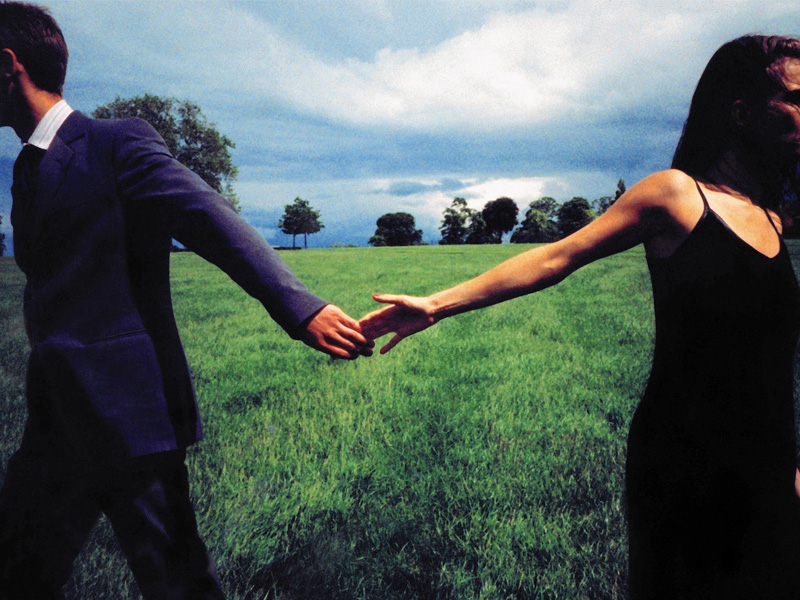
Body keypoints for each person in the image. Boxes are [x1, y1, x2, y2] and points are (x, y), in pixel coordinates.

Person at [360, 35, 800, 599]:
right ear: (741, 112)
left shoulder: (773, 218)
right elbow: (557, 257)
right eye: (796, 98)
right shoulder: (676, 195)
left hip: (768, 471)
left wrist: (788, 467)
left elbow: (769, 365)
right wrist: (437, 304)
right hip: (684, 463)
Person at [0, 2, 372, 599]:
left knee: (177, 583)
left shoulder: (114, 143)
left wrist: (299, 307)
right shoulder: (26, 167)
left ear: (8, 65)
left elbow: (208, 218)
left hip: (128, 414)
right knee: (17, 573)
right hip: (55, 418)